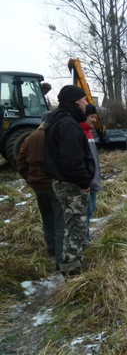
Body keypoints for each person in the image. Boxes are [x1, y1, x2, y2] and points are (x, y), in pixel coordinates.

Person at [44, 85, 95, 277]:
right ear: (76, 101)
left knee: (73, 225)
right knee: (76, 228)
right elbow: (73, 162)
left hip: (64, 183)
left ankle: (72, 262)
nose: (86, 104)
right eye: (84, 100)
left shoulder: (59, 121)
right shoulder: (67, 125)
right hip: (71, 185)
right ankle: (72, 270)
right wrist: (84, 183)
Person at [16, 112, 65, 268]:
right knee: (60, 222)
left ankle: (50, 248)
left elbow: (21, 163)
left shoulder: (29, 138)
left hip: (38, 186)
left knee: (47, 217)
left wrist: (30, 180)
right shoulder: (54, 138)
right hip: (53, 184)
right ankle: (61, 258)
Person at [79, 104, 102, 245]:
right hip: (85, 182)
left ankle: (85, 235)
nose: (94, 120)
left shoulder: (89, 132)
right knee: (85, 210)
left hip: (92, 180)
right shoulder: (79, 132)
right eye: (92, 116)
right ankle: (82, 240)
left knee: (91, 208)